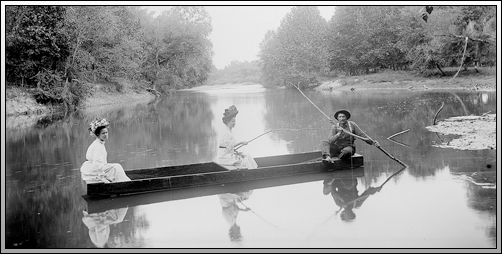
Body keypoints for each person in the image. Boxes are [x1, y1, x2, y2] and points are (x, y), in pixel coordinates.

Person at [81, 118, 131, 184]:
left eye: (106, 132)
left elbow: (102, 161)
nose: (105, 135)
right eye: (103, 133)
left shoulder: (100, 143)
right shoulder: (97, 145)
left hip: (97, 167)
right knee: (117, 167)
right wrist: (102, 176)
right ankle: (126, 184)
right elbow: (97, 163)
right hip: (94, 169)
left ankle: (123, 182)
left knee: (116, 167)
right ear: (98, 134)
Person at [216, 105, 258, 170]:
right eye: (233, 121)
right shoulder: (227, 132)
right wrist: (241, 142)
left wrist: (234, 149)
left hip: (226, 154)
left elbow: (229, 147)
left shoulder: (228, 130)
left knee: (245, 153)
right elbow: (230, 147)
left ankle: (253, 170)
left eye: (235, 121)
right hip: (224, 157)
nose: (234, 123)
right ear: (227, 122)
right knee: (244, 157)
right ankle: (251, 172)